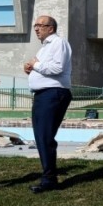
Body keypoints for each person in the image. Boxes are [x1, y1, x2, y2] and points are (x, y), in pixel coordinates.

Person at [24, 16, 72, 193]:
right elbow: (40, 66)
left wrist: (36, 65)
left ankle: (49, 178)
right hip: (44, 94)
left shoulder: (58, 43)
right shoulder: (45, 47)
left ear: (50, 28)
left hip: (53, 93)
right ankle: (49, 176)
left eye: (40, 26)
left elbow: (57, 68)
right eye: (35, 25)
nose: (36, 29)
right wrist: (30, 67)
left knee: (45, 137)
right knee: (42, 137)